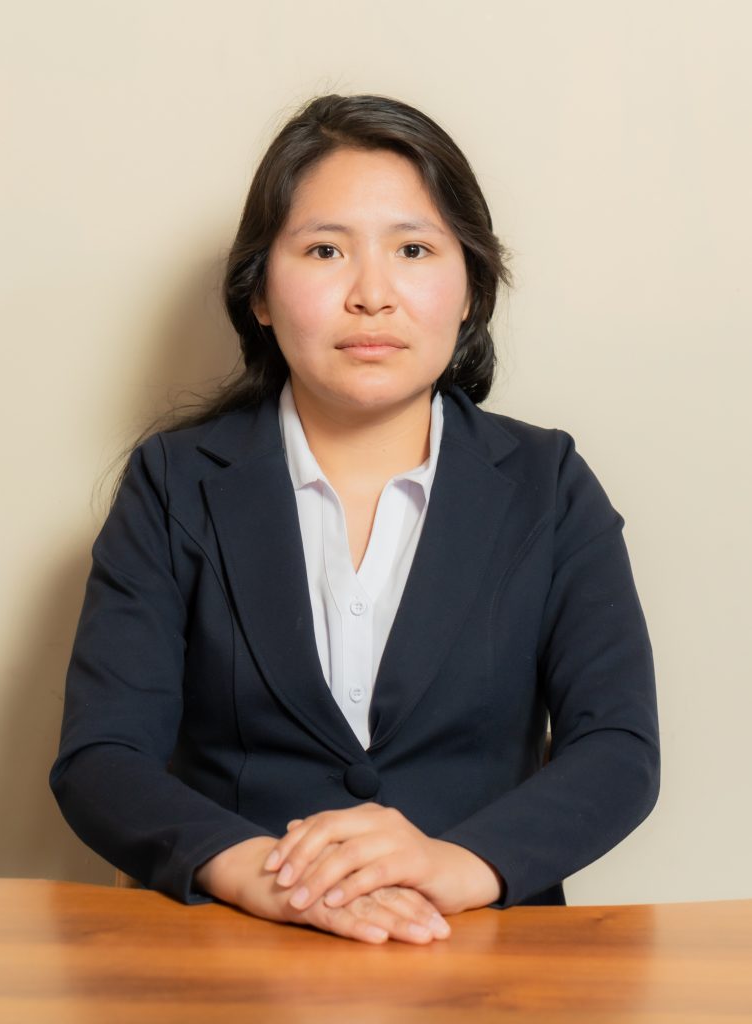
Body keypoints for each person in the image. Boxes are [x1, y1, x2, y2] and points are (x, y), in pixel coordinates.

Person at [50, 93, 660, 946]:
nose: (372, 295)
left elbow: (618, 748)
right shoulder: (174, 483)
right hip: (235, 951)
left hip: (484, 955)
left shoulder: (547, 483)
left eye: (413, 249)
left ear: (470, 289)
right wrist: (266, 876)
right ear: (259, 294)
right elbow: (101, 758)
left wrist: (457, 865)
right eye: (324, 250)